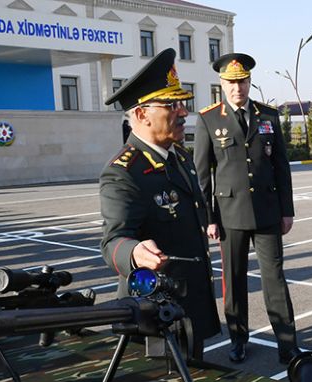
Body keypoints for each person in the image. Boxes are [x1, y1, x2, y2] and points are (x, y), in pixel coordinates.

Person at [100, 47, 220, 360]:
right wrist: (134, 252)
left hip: (189, 301)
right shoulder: (123, 172)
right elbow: (113, 241)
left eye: (182, 103)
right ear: (141, 114)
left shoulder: (180, 156)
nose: (183, 112)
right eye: (171, 105)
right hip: (155, 311)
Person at [195, 53, 299, 365]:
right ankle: (238, 339)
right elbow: (203, 175)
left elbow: (281, 166)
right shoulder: (209, 119)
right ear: (221, 84)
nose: (237, 87)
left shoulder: (267, 115)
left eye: (241, 81)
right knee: (235, 280)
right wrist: (208, 219)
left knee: (274, 279)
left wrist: (287, 210)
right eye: (231, 82)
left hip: (267, 210)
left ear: (249, 81)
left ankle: (287, 343)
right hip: (229, 214)